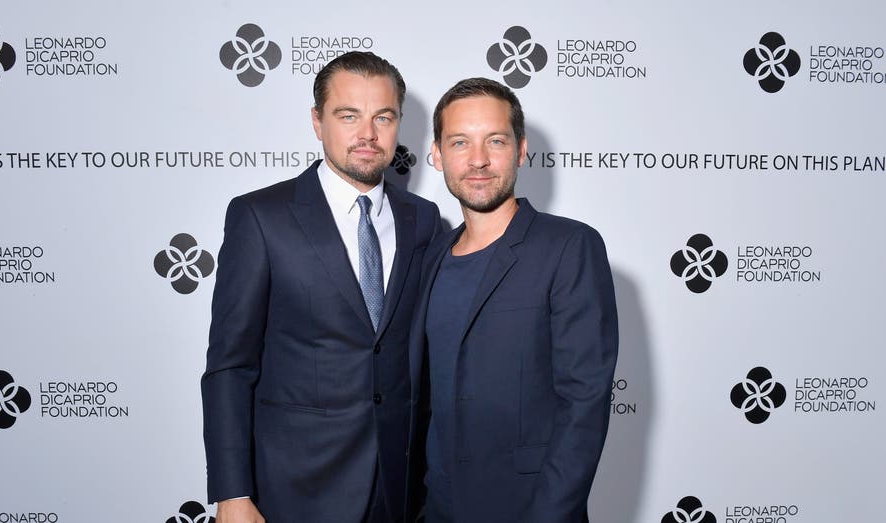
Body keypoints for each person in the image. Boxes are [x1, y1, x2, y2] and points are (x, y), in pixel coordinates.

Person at [202, 51, 441, 523]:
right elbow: (230, 365)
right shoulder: (260, 218)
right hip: (294, 489)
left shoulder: (424, 220)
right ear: (317, 121)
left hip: (400, 490)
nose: (367, 134)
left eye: (383, 117)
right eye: (348, 115)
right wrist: (231, 492)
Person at [408, 77, 618, 523]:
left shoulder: (569, 247)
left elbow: (583, 404)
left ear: (521, 150)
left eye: (495, 141)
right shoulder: (430, 257)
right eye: (460, 142)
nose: (478, 160)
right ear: (437, 154)